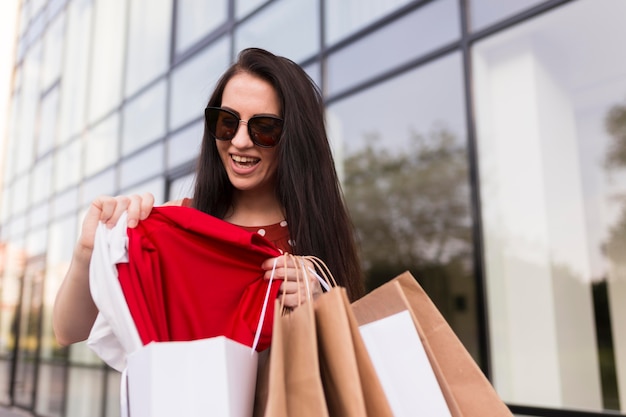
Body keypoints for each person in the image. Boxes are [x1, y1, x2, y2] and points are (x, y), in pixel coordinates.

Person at [52, 47, 365, 347]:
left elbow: (351, 373)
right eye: (227, 122)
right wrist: (88, 251)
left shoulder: (316, 241)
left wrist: (322, 307)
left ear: (295, 138)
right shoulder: (177, 226)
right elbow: (69, 331)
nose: (240, 142)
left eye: (265, 128)